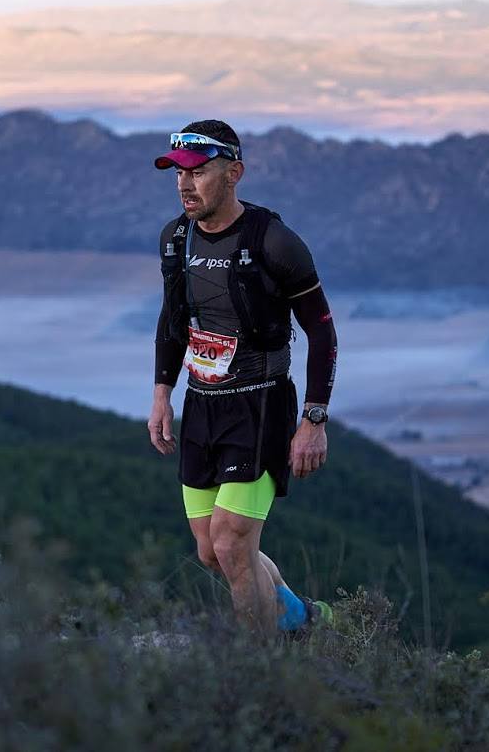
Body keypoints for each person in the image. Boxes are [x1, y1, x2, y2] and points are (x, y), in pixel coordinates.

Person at [146, 119, 338, 634]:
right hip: (201, 405)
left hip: (260, 404)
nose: (185, 184)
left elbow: (321, 332)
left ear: (234, 173)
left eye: (199, 172)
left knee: (234, 544)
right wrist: (162, 395)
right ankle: (302, 619)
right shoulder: (175, 239)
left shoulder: (274, 242)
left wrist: (313, 419)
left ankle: (262, 674)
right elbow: (173, 321)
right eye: (177, 173)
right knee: (213, 552)